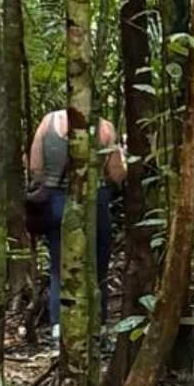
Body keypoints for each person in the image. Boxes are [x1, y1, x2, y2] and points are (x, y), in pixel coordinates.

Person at [27, 108, 126, 336]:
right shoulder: (105, 127)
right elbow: (116, 174)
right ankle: (97, 326)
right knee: (98, 266)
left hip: (56, 201)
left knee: (58, 265)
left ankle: (59, 327)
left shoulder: (48, 122)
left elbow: (35, 167)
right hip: (95, 200)